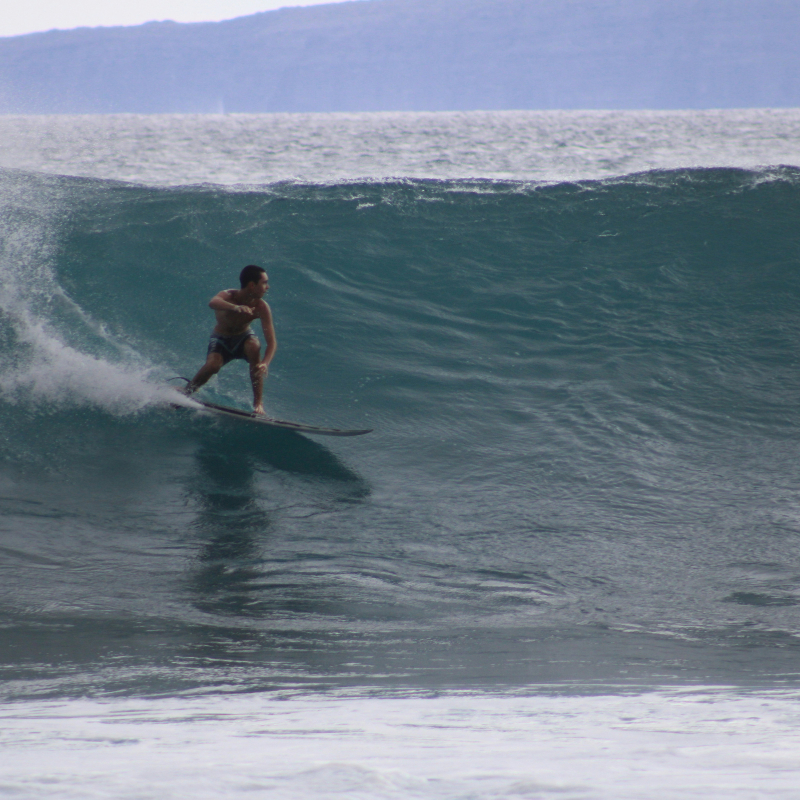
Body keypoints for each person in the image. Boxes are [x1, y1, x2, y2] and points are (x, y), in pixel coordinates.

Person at [182, 265, 277, 414]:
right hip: (221, 339)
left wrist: (265, 362)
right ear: (252, 285)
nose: (267, 287)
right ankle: (186, 392)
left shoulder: (261, 307)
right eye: (264, 283)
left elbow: (272, 342)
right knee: (213, 365)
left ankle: (258, 404)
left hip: (243, 338)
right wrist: (235, 308)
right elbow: (212, 303)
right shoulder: (229, 295)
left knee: (254, 346)